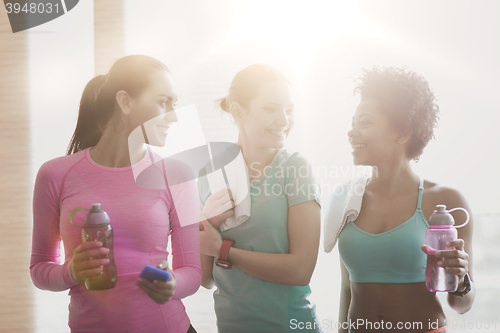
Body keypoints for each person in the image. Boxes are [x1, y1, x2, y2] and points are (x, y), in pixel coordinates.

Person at [30, 55, 201, 333]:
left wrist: (172, 285)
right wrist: (70, 272)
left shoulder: (178, 175)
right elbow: (40, 269)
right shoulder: (55, 175)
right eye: (163, 102)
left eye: (174, 103)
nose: (174, 115)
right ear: (125, 101)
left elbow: (192, 272)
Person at [329, 66, 475, 333]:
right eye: (353, 123)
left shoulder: (445, 200)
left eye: (365, 122)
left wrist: (462, 280)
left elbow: (461, 305)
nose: (352, 132)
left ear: (403, 131)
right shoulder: (347, 198)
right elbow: (347, 287)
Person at [198, 64, 323, 333]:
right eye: (271, 108)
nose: (284, 120)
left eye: (289, 110)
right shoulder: (210, 175)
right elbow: (205, 278)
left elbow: (300, 271)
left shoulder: (295, 168)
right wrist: (206, 224)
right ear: (237, 111)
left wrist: (224, 250)